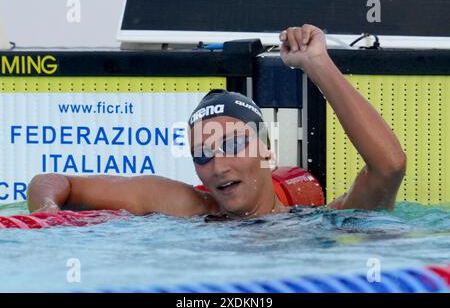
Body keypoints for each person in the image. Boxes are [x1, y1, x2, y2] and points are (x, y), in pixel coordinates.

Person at [27, 24, 406, 219]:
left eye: (234, 145)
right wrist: (46, 211)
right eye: (202, 155)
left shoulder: (316, 223)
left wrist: (317, 64)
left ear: (266, 151)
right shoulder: (185, 205)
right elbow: (51, 182)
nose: (218, 166)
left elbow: (389, 168)